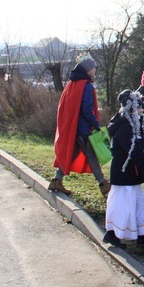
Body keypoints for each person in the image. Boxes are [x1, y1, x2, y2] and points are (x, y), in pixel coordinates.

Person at [103, 89, 144, 249]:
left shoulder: (132, 124)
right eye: (139, 107)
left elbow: (137, 149)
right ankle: (112, 233)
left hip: (132, 172)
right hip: (124, 173)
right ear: (131, 107)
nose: (142, 110)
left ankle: (142, 234)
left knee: (138, 203)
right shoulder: (125, 126)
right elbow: (133, 151)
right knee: (123, 205)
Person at [50, 55, 111, 197]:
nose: (95, 70)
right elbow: (87, 109)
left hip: (73, 128)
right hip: (83, 129)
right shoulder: (86, 85)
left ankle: (56, 180)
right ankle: (103, 185)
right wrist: (96, 125)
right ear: (89, 70)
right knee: (92, 155)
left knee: (71, 153)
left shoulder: (72, 84)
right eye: (94, 68)